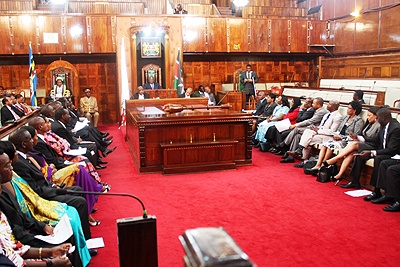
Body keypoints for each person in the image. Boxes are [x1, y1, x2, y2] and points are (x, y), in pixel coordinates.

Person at [0, 142, 92, 266]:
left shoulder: (4, 191)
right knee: (66, 237)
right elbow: (14, 240)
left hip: (24, 239)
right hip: (23, 241)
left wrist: (43, 227)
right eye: (7, 166)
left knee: (67, 239)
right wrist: (49, 260)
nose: (12, 168)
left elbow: (23, 217)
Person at [9, 129, 92, 241]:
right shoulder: (19, 163)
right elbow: (35, 189)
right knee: (80, 202)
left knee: (78, 190)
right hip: (43, 197)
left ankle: (83, 229)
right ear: (23, 144)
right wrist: (56, 190)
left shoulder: (25, 157)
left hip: (48, 188)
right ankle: (85, 240)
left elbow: (40, 179)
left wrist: (53, 186)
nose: (33, 142)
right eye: (30, 139)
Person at [21, 126, 106, 225]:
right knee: (77, 169)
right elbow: (41, 173)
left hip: (53, 172)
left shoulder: (32, 151)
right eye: (34, 137)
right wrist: (51, 168)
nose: (33, 140)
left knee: (79, 168)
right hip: (50, 180)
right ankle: (95, 190)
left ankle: (92, 198)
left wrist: (51, 167)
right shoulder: (30, 154)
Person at [341, 108, 400, 189]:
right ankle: (355, 181)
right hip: (383, 150)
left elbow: (391, 149)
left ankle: (376, 190)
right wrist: (358, 137)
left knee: (378, 158)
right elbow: (376, 139)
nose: (377, 119)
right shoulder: (384, 124)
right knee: (361, 154)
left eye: (377, 117)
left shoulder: (395, 128)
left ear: (383, 118)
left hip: (391, 153)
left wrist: (372, 152)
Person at [306, 101, 364, 175]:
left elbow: (355, 135)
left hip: (347, 141)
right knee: (325, 144)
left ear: (354, 110)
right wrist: (336, 136)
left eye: (349, 108)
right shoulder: (345, 117)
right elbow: (339, 130)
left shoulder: (359, 121)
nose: (347, 109)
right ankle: (318, 165)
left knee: (330, 146)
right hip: (339, 138)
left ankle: (323, 166)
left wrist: (341, 138)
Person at [290, 100, 343, 167]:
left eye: (329, 104)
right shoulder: (326, 114)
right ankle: (300, 151)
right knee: (307, 131)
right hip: (320, 133)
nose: (327, 105)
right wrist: (316, 128)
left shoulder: (338, 116)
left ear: (334, 106)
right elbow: (322, 126)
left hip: (327, 136)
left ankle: (303, 158)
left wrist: (318, 131)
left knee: (307, 140)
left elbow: (332, 131)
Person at [278, 97, 327, 163]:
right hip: (309, 128)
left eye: (314, 103)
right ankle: (290, 156)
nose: (312, 105)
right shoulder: (316, 110)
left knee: (296, 129)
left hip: (314, 130)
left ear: (318, 104)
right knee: (297, 136)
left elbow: (310, 121)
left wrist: (296, 125)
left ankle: (284, 144)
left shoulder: (322, 112)